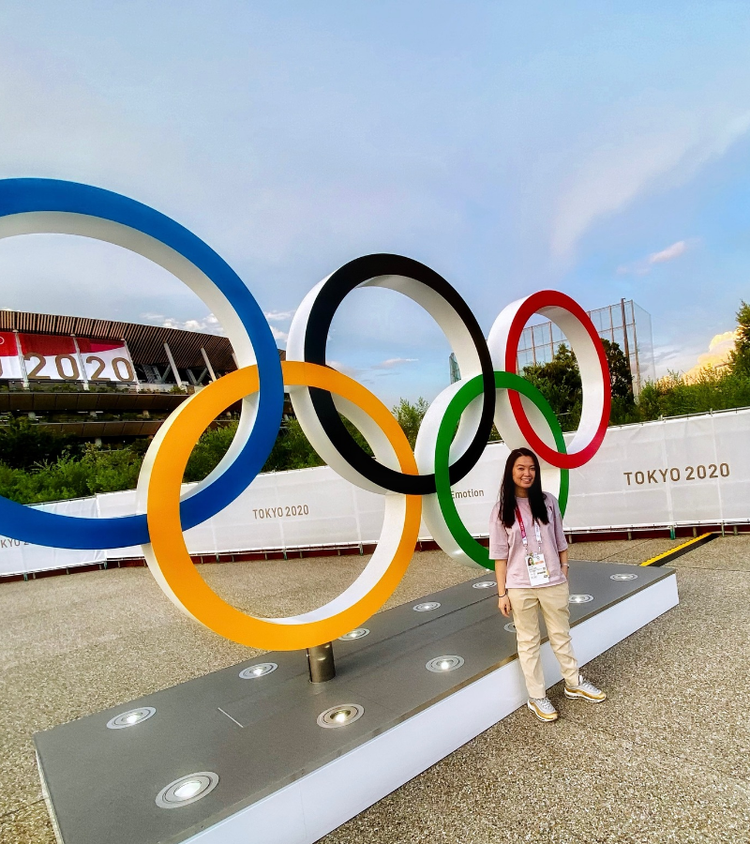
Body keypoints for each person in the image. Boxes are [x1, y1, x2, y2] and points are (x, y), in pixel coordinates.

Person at [489, 447, 606, 722]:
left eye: (531, 468)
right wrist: (502, 593)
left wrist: (563, 571)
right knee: (528, 641)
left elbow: (560, 541)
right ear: (510, 471)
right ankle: (537, 696)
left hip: (553, 580)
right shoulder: (501, 510)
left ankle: (574, 683)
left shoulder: (548, 501)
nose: (527, 473)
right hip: (520, 586)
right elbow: (499, 556)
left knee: (560, 635)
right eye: (521, 468)